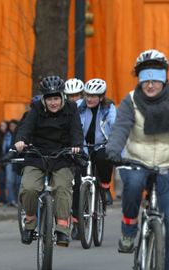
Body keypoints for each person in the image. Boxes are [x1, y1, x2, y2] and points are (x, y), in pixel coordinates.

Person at [106, 49, 169, 270]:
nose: (150, 85)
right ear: (139, 80)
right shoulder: (129, 101)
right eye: (145, 79)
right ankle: (129, 229)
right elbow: (120, 128)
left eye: (156, 79)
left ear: (164, 79)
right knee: (132, 185)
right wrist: (113, 148)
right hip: (137, 160)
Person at [14, 75, 84, 247]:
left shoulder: (72, 108)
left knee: (62, 187)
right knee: (28, 188)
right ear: (43, 99)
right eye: (49, 99)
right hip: (37, 155)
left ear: (62, 97)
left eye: (56, 98)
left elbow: (76, 130)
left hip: (62, 156)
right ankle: (30, 223)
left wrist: (76, 145)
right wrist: (21, 140)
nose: (53, 103)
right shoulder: (36, 109)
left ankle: (62, 229)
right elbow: (26, 127)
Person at [71, 78, 117, 240]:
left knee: (105, 157)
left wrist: (116, 143)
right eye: (88, 95)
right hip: (81, 146)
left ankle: (104, 187)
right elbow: (71, 124)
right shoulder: (78, 107)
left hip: (101, 144)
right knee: (77, 182)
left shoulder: (109, 108)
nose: (90, 98)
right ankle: (76, 223)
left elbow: (114, 124)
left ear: (101, 97)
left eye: (94, 96)